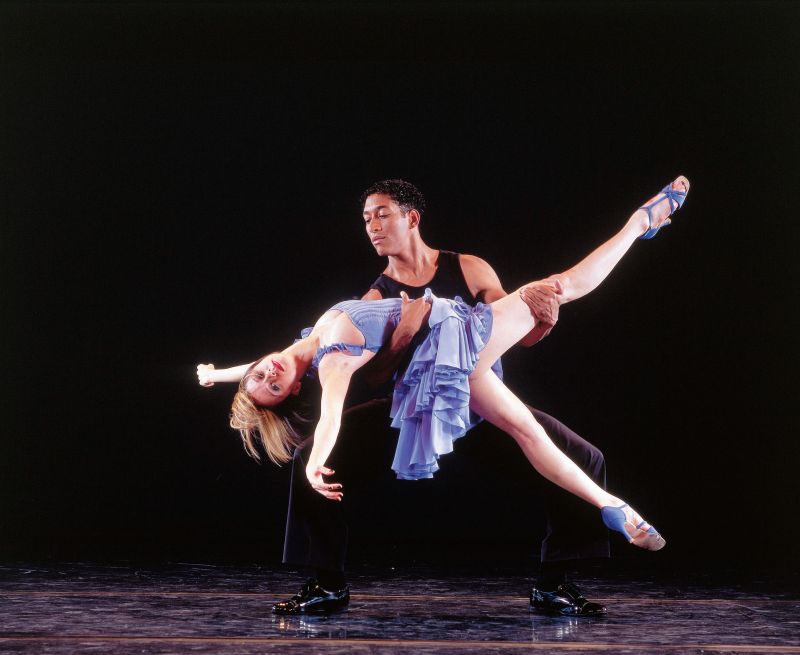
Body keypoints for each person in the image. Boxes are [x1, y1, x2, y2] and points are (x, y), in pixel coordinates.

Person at [197, 176, 689, 615]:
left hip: (471, 379)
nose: (370, 226)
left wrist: (218, 374)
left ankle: (556, 583)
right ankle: (325, 585)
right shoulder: (367, 305)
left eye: (380, 214)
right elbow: (362, 386)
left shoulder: (466, 266)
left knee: (576, 449)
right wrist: (405, 337)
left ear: (412, 217)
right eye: (365, 219)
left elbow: (502, 330)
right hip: (413, 403)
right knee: (314, 458)